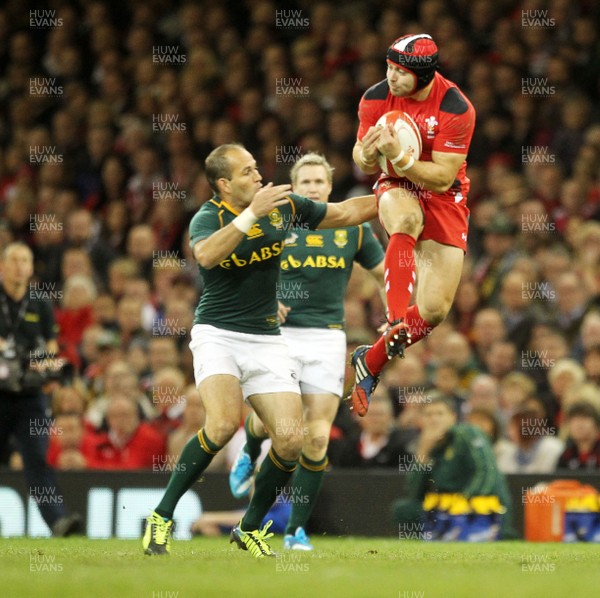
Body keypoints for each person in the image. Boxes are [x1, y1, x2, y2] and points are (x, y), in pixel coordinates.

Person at [143, 143, 378, 558]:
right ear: (223, 184)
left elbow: (345, 213)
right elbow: (206, 255)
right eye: (247, 171)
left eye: (255, 168)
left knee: (290, 439)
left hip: (267, 338)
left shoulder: (283, 206)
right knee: (220, 426)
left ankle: (249, 527)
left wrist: (398, 194)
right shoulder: (208, 218)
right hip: (217, 333)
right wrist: (253, 213)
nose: (257, 175)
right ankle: (161, 516)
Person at [228, 153, 385, 550]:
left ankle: (296, 530)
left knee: (315, 439)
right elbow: (236, 266)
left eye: (319, 182)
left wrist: (397, 311)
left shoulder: (354, 229)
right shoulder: (275, 221)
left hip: (327, 338)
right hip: (277, 336)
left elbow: (385, 273)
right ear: (294, 190)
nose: (313, 188)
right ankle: (249, 448)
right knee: (280, 428)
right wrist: (264, 300)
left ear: (329, 188)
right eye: (306, 183)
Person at [349, 33, 476, 416]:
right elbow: (361, 159)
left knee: (435, 309)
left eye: (401, 73)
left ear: (424, 76)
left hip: (443, 192)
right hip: (396, 184)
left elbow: (440, 178)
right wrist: (369, 153)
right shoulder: (374, 97)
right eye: (389, 68)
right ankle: (395, 316)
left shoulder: (457, 108)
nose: (392, 78)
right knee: (405, 218)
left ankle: (369, 361)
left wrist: (399, 155)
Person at [0, 242, 81, 536]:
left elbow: (49, 347)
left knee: (37, 459)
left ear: (32, 267)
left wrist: (44, 366)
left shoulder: (41, 303)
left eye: (25, 260)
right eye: (14, 260)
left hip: (29, 399)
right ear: (3, 266)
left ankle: (58, 522)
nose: (20, 265)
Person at [392, 395, 512, 540]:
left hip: (480, 503)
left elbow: (486, 472)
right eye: (428, 415)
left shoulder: (467, 433)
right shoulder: (425, 445)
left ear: (453, 417)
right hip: (445, 507)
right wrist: (423, 454)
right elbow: (414, 493)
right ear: (421, 420)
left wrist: (464, 501)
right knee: (403, 509)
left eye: (440, 413)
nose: (434, 419)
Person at [556, 401, 600, 471]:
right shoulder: (567, 455)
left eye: (584, 418)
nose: (579, 424)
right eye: (574, 420)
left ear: (596, 423)